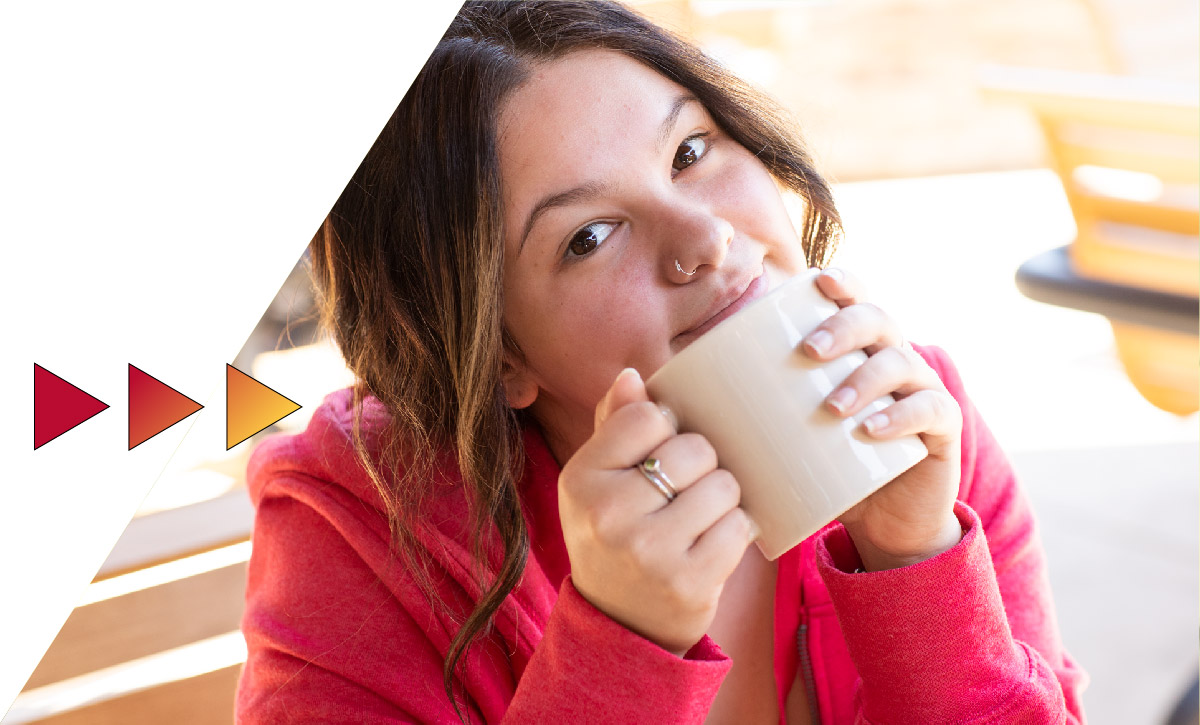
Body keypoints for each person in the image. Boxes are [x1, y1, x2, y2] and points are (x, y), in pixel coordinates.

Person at [235, 2, 1088, 722]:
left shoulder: (913, 421)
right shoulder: (356, 519)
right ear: (496, 357)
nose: (707, 238)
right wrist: (619, 645)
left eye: (690, 151)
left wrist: (916, 562)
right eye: (589, 237)